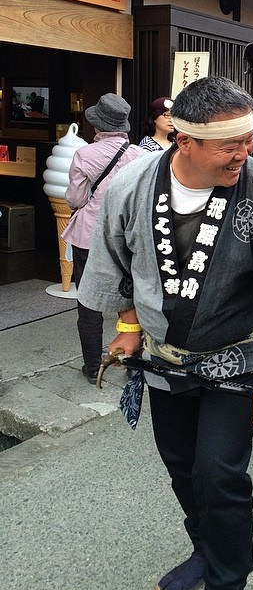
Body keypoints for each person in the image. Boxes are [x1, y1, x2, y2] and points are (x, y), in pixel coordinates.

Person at [77, 76, 253, 590]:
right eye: (230, 144)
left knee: (219, 473)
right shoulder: (130, 186)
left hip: (233, 359)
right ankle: (204, 549)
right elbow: (116, 262)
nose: (245, 153)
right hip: (164, 358)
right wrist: (128, 324)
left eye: (248, 139)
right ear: (183, 140)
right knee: (182, 468)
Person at [62, 93, 144, 384]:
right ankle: (135, 362)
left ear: (97, 126)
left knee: (88, 301)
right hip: (127, 236)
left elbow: (74, 197)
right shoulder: (140, 156)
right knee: (133, 295)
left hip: (89, 236)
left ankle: (93, 364)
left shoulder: (85, 155)